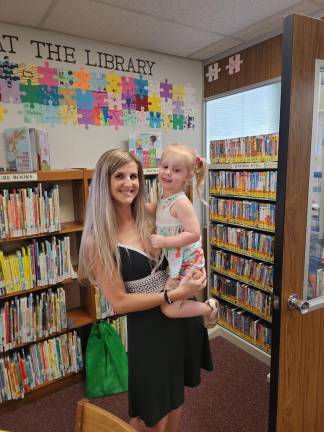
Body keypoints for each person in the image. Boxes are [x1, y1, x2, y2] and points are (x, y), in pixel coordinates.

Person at [78, 149, 213, 432]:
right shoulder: (97, 239)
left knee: (176, 396)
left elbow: (185, 232)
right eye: (119, 176)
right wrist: (172, 295)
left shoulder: (150, 214)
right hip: (150, 327)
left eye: (134, 176)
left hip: (180, 317)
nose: (129, 183)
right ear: (104, 182)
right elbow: (120, 303)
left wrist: (194, 272)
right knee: (151, 412)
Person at [150, 143, 218, 327]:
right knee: (163, 299)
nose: (168, 173)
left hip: (188, 264)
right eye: (165, 167)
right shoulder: (164, 198)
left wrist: (165, 241)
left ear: (187, 176)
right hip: (176, 263)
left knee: (169, 308)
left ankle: (209, 308)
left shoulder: (181, 202)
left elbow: (194, 234)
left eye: (176, 170)